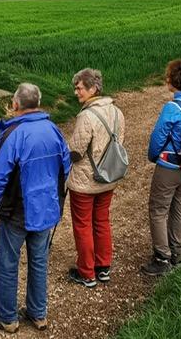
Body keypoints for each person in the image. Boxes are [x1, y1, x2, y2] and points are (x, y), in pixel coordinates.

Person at [0, 83, 71, 333]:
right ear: (39, 102)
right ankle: (38, 313)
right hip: (46, 208)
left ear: (15, 104)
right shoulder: (54, 130)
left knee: (7, 263)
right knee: (39, 261)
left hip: (17, 210)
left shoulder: (14, 134)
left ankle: (7, 318)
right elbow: (66, 166)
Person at [66, 68, 126, 288]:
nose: (76, 92)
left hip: (85, 181)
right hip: (108, 176)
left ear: (93, 89)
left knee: (82, 225)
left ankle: (86, 272)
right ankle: (103, 267)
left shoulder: (87, 115)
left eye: (80, 87)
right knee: (101, 221)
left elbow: (76, 151)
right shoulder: (117, 112)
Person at [141, 60, 181, 276]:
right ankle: (176, 252)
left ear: (173, 81)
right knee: (180, 206)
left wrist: (153, 156)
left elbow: (158, 138)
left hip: (170, 164)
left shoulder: (172, 107)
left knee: (158, 209)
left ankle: (161, 257)